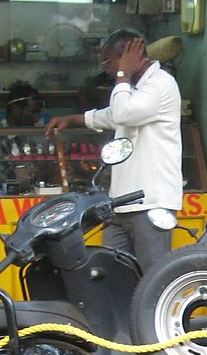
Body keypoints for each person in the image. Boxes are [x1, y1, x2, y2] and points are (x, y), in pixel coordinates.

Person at [43, 29, 182, 270]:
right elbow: (113, 115)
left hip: (149, 203)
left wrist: (122, 74)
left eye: (109, 62)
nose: (107, 69)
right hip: (120, 202)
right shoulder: (136, 88)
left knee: (152, 278)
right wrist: (76, 119)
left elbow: (123, 113)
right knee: (114, 273)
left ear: (127, 56)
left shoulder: (161, 84)